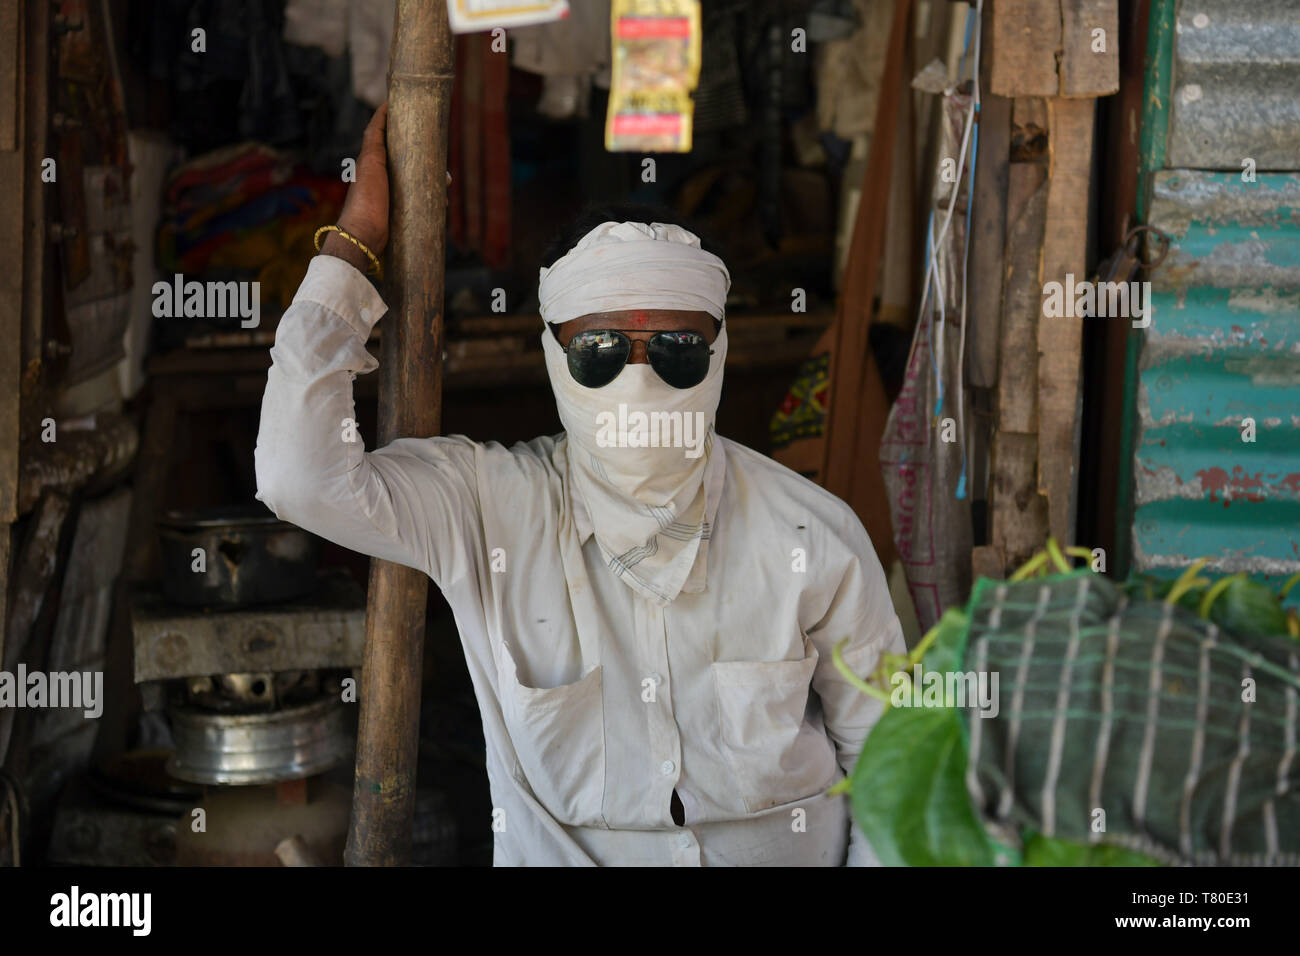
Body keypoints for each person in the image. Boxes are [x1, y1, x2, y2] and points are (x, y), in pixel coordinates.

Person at [255, 104, 905, 866]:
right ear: (555, 357)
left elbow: (894, 761)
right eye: (599, 350)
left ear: (718, 354)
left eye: (675, 350)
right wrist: (356, 246)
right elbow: (298, 475)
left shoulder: (809, 533)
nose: (638, 381)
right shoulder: (488, 507)